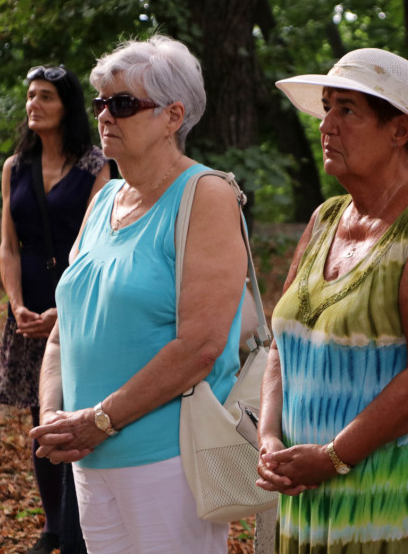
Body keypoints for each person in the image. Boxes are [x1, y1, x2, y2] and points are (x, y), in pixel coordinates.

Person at [28, 35, 248, 554]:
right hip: (89, 455)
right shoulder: (104, 197)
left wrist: (99, 420)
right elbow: (63, 331)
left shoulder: (206, 195)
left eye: (124, 103)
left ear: (173, 116)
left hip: (168, 460)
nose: (105, 115)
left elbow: (201, 346)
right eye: (101, 103)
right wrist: (53, 417)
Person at [257, 48, 408, 554]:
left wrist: (333, 457)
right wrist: (270, 439)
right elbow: (280, 346)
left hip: (395, 504)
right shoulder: (325, 219)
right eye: (326, 108)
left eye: (347, 110)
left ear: (399, 131)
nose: (326, 126)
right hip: (308, 497)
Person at [0, 64, 109, 554]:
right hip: (28, 306)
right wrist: (17, 305)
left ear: (67, 106)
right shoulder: (14, 167)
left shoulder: (95, 166)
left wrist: (63, 313)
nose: (34, 104)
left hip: (79, 299)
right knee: (39, 415)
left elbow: (97, 244)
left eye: (46, 96)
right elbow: (8, 244)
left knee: (79, 407)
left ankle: (83, 524)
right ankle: (52, 527)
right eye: (30, 96)